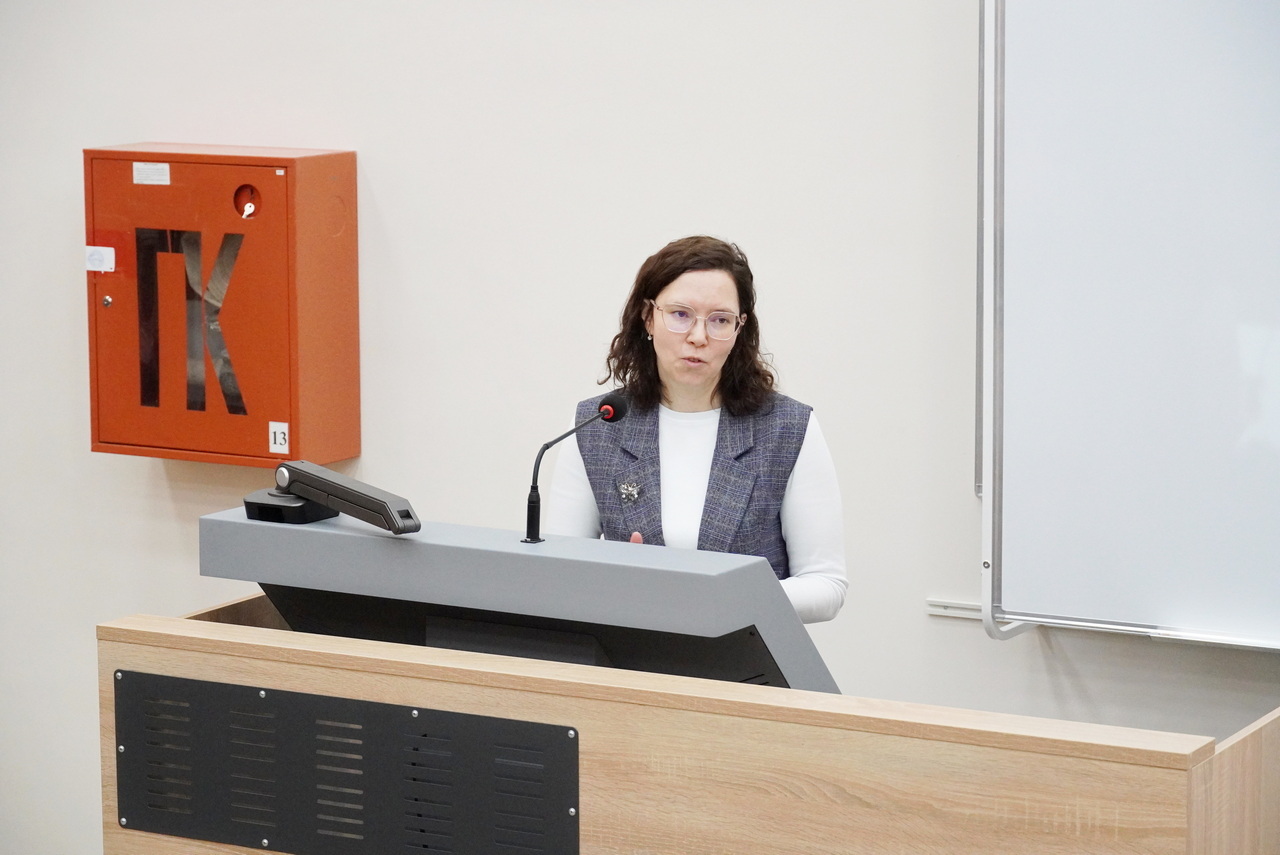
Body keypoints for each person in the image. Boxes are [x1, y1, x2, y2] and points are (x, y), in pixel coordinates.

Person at [545, 235, 847, 623]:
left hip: (745, 654)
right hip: (630, 652)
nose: (698, 337)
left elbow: (826, 586)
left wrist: (708, 596)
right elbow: (560, 575)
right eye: (680, 314)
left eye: (720, 320)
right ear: (648, 317)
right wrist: (618, 583)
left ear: (739, 329)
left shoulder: (787, 429)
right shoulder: (600, 423)